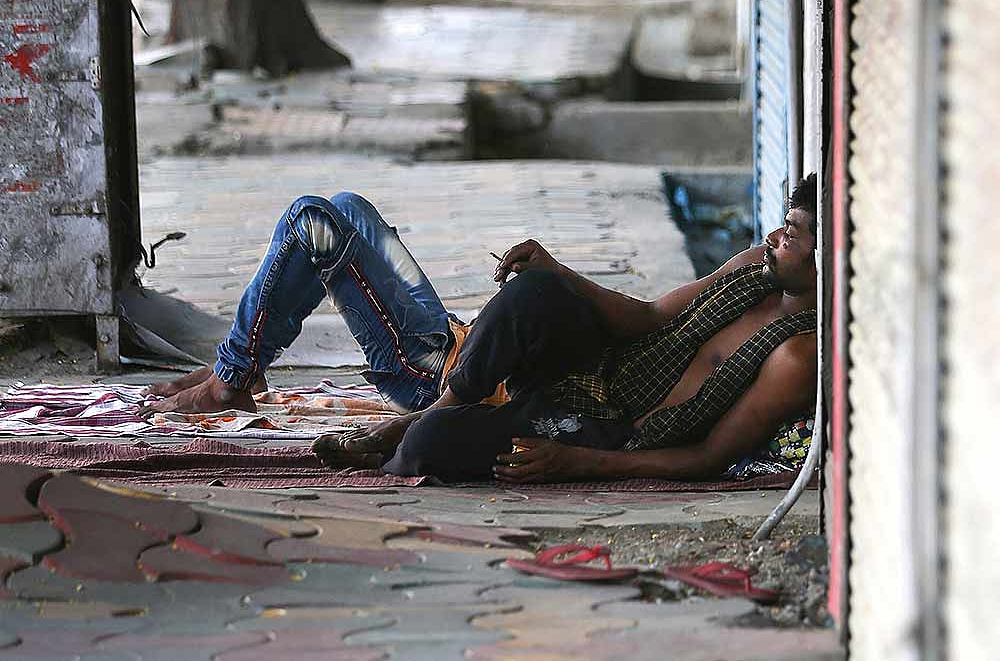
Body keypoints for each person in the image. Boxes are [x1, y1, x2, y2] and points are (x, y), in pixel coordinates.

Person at [142, 175, 819, 483]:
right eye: (784, 220)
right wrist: (557, 269)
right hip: (490, 361)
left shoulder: (796, 355)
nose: (776, 235)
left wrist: (579, 463)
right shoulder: (749, 268)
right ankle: (234, 373)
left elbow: (705, 459)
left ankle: (234, 375)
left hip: (545, 405)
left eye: (798, 233)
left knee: (314, 222)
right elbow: (643, 317)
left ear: (834, 261)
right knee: (342, 209)